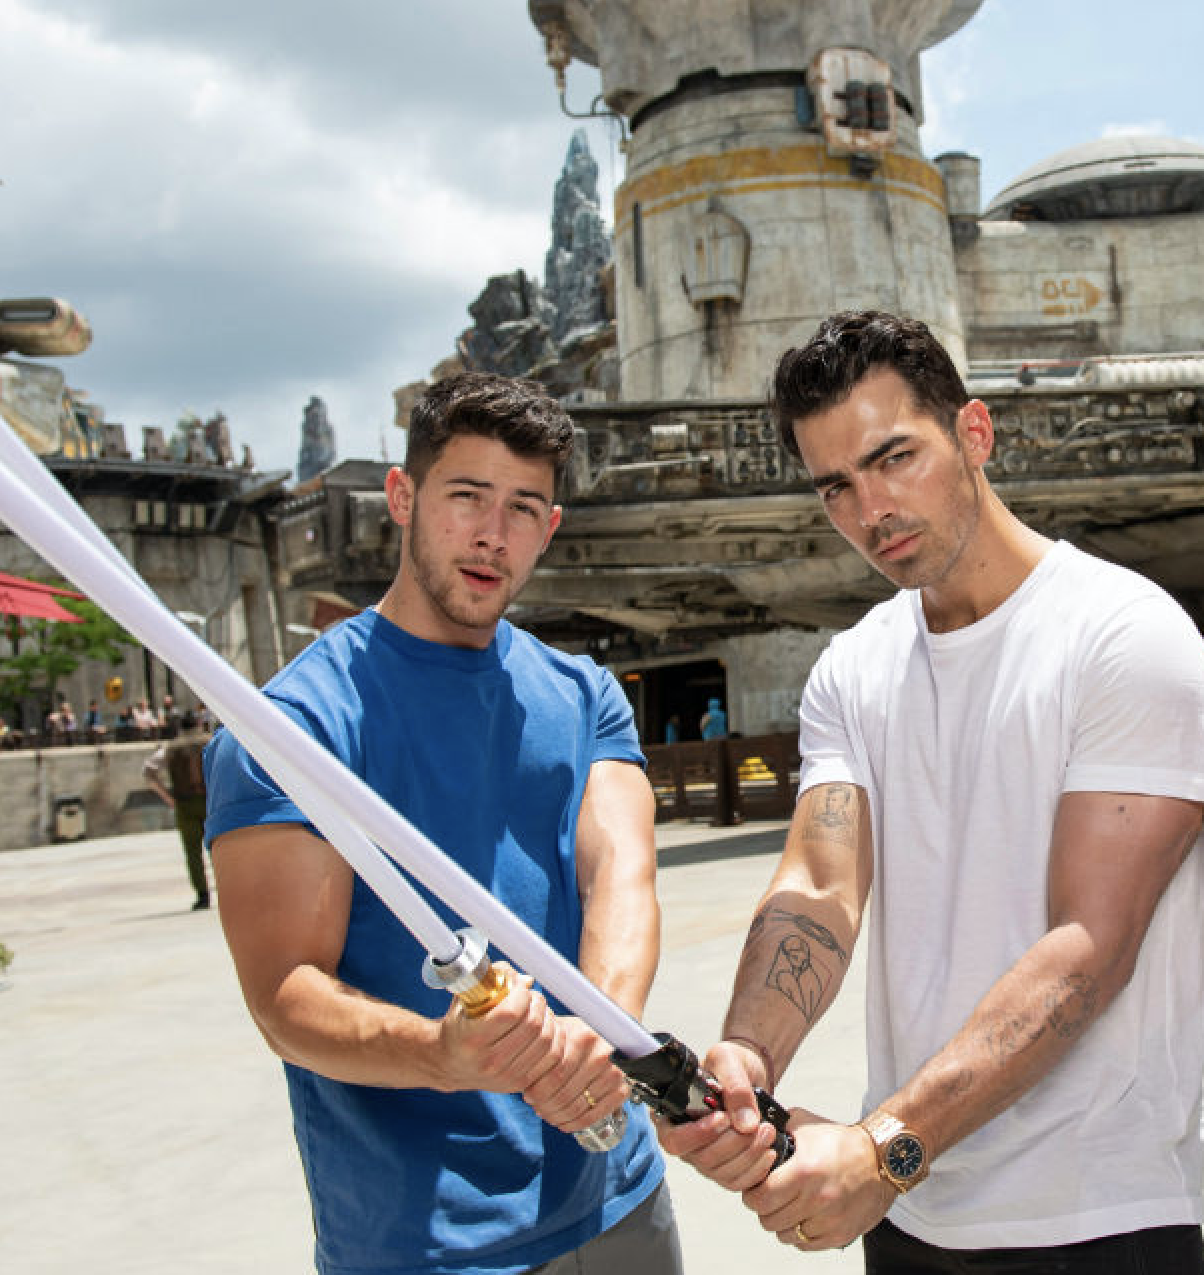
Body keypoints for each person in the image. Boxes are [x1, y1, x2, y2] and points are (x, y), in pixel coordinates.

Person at [659, 311, 1204, 1271]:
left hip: (1101, 1210)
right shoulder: (853, 670)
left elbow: (1091, 946)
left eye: (895, 457)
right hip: (915, 1212)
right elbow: (820, 892)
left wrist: (883, 1147)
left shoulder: (1126, 636)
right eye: (837, 484)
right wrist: (748, 1054)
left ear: (975, 433)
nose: (872, 510)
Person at [203, 373, 681, 1275]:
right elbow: (285, 997)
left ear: (550, 529)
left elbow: (619, 874)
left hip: (615, 1189)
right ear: (402, 497)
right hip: (425, 1238)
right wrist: (444, 1054)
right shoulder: (296, 729)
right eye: (466, 496)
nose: (492, 535)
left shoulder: (584, 696)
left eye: (523, 507)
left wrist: (597, 1024)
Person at [143, 710, 211, 910]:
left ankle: (202, 894)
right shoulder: (209, 741)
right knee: (220, 848)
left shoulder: (171, 748)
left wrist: (167, 797)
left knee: (192, 852)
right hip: (211, 801)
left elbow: (148, 770)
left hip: (184, 802)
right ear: (198, 723)